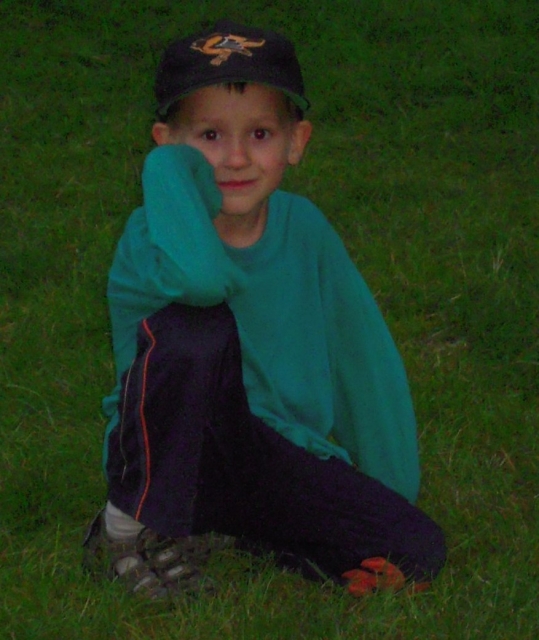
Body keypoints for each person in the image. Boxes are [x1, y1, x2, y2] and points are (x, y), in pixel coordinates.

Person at [83, 19, 446, 600]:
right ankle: (127, 528)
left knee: (417, 547)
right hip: (179, 457)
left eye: (259, 134)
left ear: (296, 142)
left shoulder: (306, 229)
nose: (234, 158)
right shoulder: (150, 237)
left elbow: (362, 359)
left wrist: (387, 492)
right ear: (166, 144)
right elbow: (201, 282)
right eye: (208, 136)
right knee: (196, 329)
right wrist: (168, 174)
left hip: (274, 454)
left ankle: (235, 531)